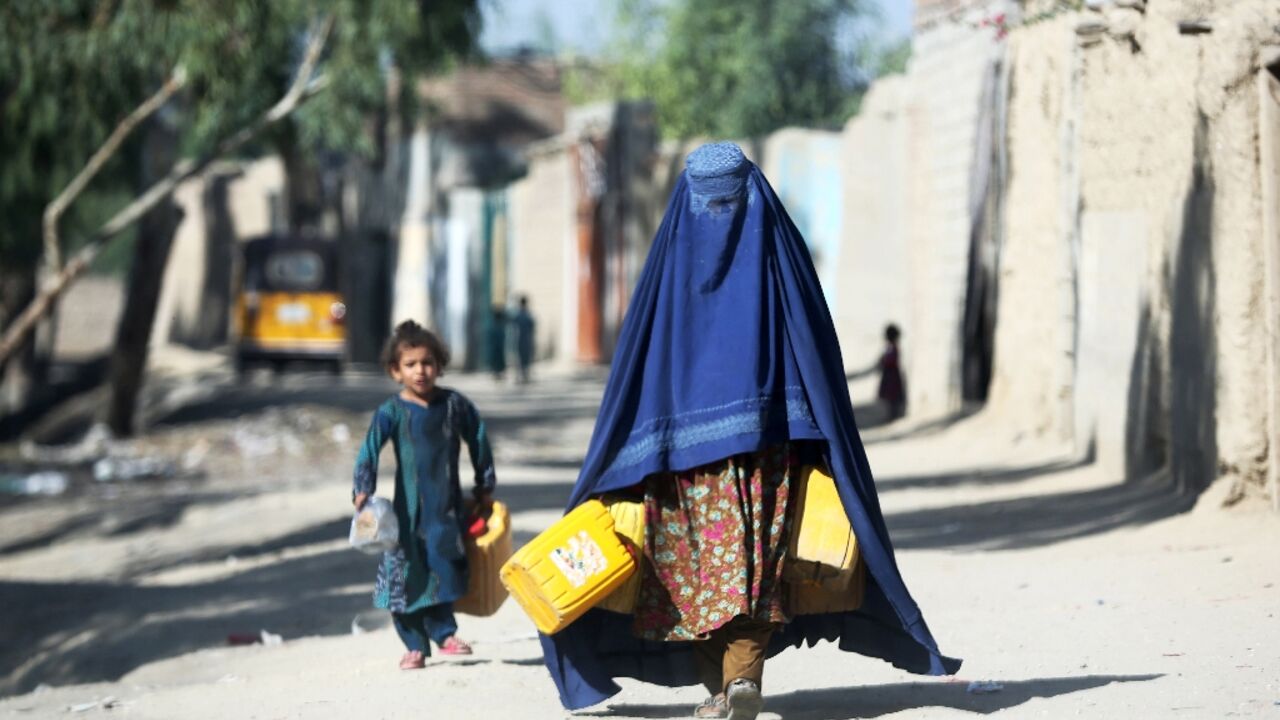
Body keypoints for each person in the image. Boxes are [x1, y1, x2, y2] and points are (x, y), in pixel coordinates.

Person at [539, 143, 959, 719]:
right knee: (742, 574)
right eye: (709, 201)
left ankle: (733, 683)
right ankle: (729, 688)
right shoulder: (776, 252)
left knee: (707, 579)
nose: (719, 216)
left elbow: (638, 373)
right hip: (759, 452)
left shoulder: (673, 264)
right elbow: (813, 357)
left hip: (695, 460)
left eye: (726, 199)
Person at [351, 320, 496, 670]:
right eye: (411, 364)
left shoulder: (453, 405)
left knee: (444, 570)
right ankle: (414, 645)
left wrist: (484, 481)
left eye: (427, 362)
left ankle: (445, 634)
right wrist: (362, 487)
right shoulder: (392, 412)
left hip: (446, 510)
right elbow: (369, 448)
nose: (420, 371)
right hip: (406, 514)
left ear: (439, 365)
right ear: (395, 370)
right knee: (405, 577)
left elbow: (477, 437)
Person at [878, 323, 907, 420]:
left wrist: (883, 361)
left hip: (892, 375)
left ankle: (893, 415)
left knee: (892, 396)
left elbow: (890, 360)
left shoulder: (893, 348)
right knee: (890, 396)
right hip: (890, 375)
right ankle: (891, 415)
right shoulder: (890, 347)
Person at [511, 295, 536, 384]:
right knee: (524, 358)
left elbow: (513, 324)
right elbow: (533, 327)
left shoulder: (520, 314)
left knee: (521, 358)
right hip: (525, 339)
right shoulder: (527, 314)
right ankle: (524, 376)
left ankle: (522, 377)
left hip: (521, 339)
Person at [487, 305, 508, 382]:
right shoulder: (501, 327)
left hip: (495, 347)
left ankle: (497, 374)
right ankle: (498, 374)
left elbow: (489, 338)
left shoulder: (493, 326)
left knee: (496, 361)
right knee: (499, 361)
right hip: (499, 347)